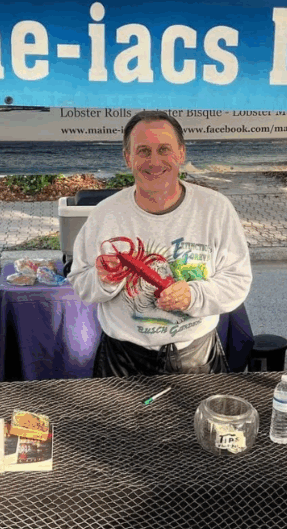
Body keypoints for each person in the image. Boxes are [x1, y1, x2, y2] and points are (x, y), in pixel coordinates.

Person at [69, 110, 252, 377]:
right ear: (128, 158)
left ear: (181, 153)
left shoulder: (216, 209)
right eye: (143, 151)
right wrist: (105, 280)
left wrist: (193, 295)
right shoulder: (104, 215)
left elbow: (238, 282)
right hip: (122, 360)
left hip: (196, 357)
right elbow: (80, 282)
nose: (154, 161)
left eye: (164, 149)